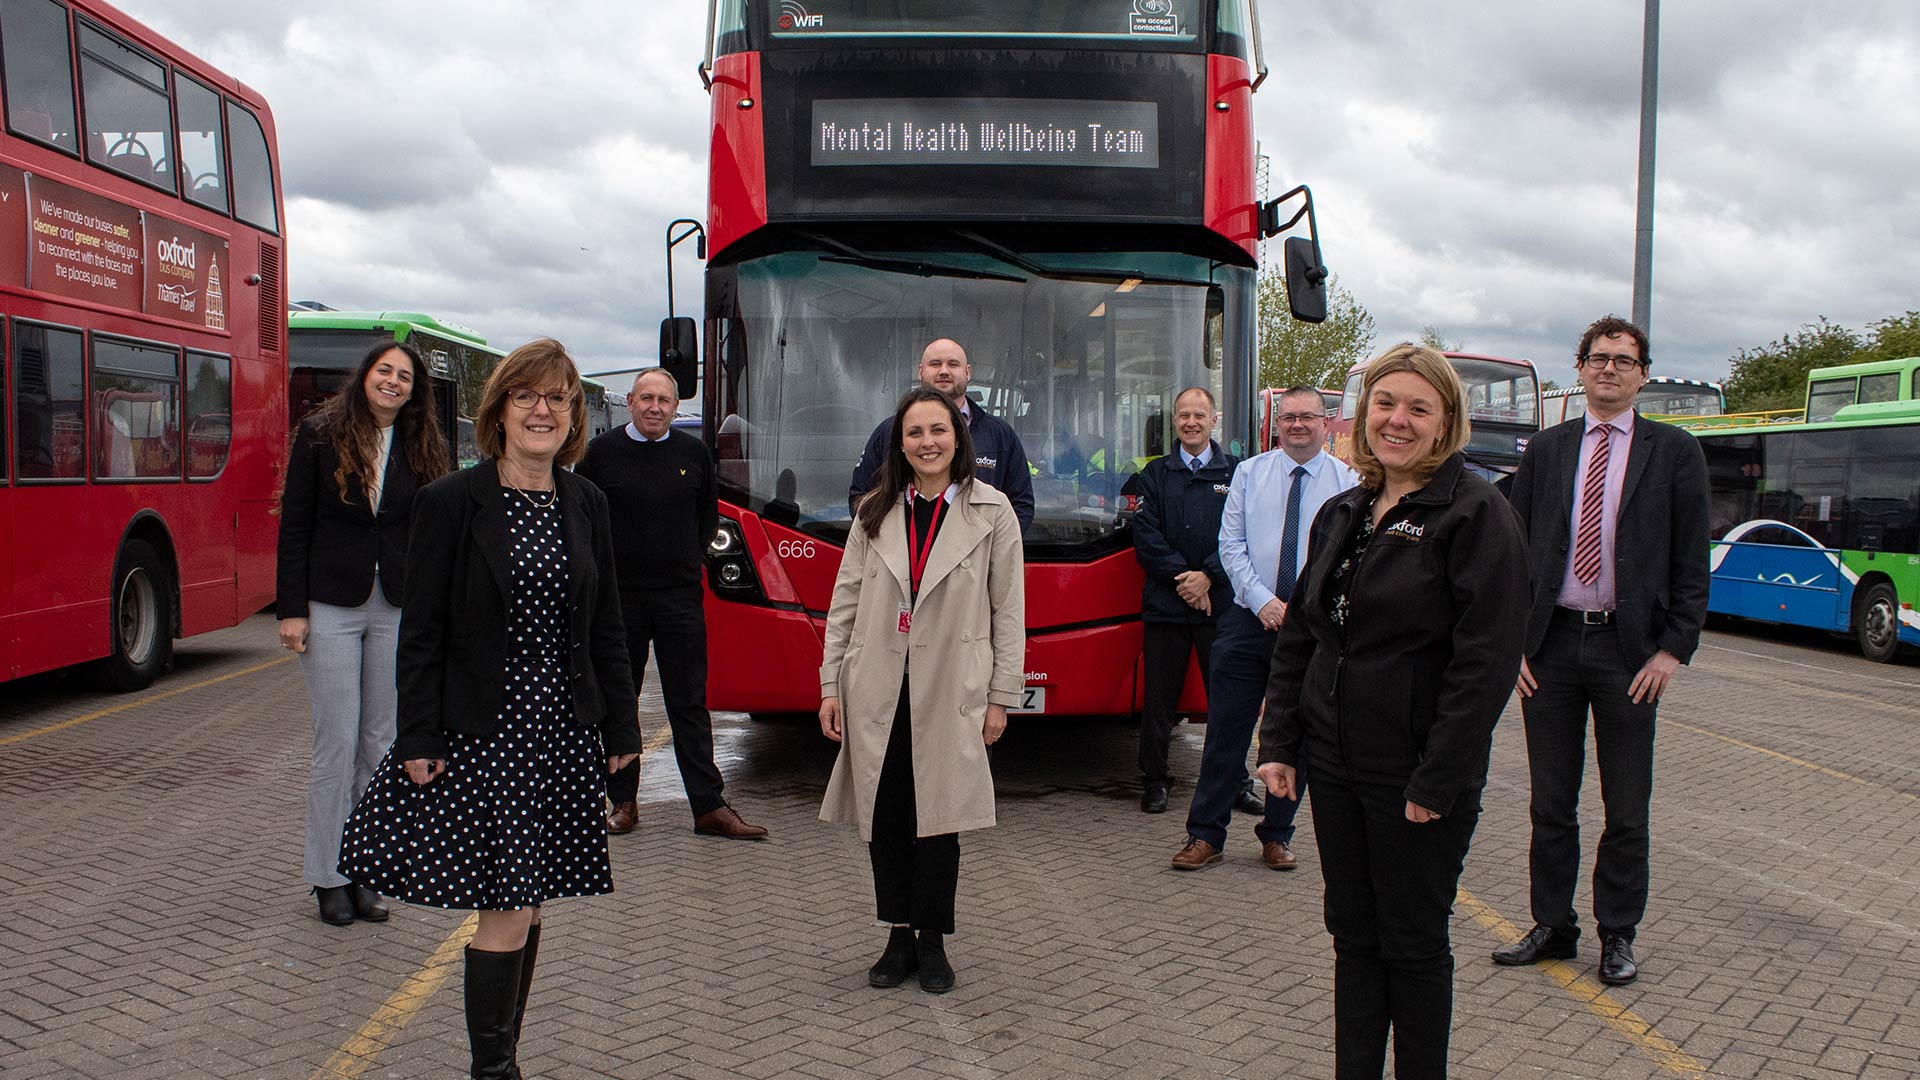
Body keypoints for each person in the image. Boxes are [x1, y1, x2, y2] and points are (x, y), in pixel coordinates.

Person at [336, 339, 642, 1079]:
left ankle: (504, 1057)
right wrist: (417, 732)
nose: (543, 410)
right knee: (508, 904)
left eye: (558, 398)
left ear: (574, 416)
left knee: (530, 903)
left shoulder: (586, 501)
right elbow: (424, 629)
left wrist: (622, 730)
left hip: (562, 732)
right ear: (499, 410)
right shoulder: (451, 501)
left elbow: (605, 624)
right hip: (486, 733)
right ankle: (494, 1071)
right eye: (526, 396)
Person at [1255, 345, 1529, 1079]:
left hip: (1415, 775)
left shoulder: (1477, 515)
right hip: (1336, 764)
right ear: (1363, 413)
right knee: (1352, 936)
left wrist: (1437, 781)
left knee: (1411, 944)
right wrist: (1279, 740)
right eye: (1385, 404)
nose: (1396, 421)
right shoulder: (1344, 510)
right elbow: (1306, 634)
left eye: (1417, 408)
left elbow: (1485, 667)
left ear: (1446, 423)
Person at [1494, 315, 1711, 987]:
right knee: (1551, 802)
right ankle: (1553, 925)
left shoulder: (1675, 452)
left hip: (1630, 653)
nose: (1610, 368)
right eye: (1598, 357)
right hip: (1551, 647)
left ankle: (1618, 934)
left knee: (1626, 807)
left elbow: (1691, 561)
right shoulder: (1548, 450)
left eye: (1624, 359)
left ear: (1643, 374)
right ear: (1581, 368)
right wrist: (1513, 645)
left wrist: (1673, 649)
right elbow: (1514, 550)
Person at [819, 387, 1025, 994]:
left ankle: (932, 942)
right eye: (914, 433)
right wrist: (832, 682)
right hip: (880, 684)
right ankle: (896, 936)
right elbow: (845, 603)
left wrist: (1000, 697)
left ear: (957, 439)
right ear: (899, 444)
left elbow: (1009, 610)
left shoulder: (993, 512)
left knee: (938, 818)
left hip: (952, 688)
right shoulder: (875, 512)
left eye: (938, 430)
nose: (927, 442)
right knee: (886, 816)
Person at [275, 340, 449, 927]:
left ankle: (366, 872)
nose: (394, 383)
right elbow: (295, 524)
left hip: (394, 607)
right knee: (337, 741)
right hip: (330, 605)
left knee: (380, 745)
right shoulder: (322, 434)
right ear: (365, 376)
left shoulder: (422, 443)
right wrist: (290, 609)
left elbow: (432, 532)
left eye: (404, 376)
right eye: (385, 371)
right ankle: (328, 876)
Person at [1170, 387, 1356, 871]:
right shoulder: (1250, 473)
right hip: (1248, 621)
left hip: (1311, 630)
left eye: (1307, 417)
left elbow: (1347, 559)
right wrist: (1263, 601)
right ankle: (1205, 835)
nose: (1297, 425)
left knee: (1295, 737)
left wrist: (1302, 609)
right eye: (1289, 417)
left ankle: (1277, 834)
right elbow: (1230, 545)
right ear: (1277, 425)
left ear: (1325, 421)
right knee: (1226, 732)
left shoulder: (1348, 483)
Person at [578, 367, 767, 840]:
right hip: (618, 599)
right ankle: (622, 800)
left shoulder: (693, 453)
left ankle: (707, 806)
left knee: (688, 702)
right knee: (621, 700)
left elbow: (707, 518)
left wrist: (687, 559)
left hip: (679, 598)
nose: (655, 408)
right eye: (646, 398)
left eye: (664, 400)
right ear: (631, 400)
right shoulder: (600, 455)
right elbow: (583, 522)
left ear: (676, 406)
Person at [1130, 386, 1239, 813]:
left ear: (1215, 420)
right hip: (1167, 607)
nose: (1190, 422)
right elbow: (1146, 538)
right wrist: (1187, 581)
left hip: (1220, 607)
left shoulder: (1237, 474)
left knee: (1228, 700)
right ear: (1174, 421)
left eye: (1199, 415)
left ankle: (1235, 779)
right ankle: (1155, 780)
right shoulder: (1155, 474)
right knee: (1159, 701)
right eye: (1182, 415)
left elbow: (1241, 535)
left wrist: (1208, 577)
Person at [849, 338, 1035, 534]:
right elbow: (861, 499)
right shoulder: (889, 432)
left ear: (967, 372)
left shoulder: (1001, 435)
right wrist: (894, 546)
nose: (944, 371)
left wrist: (989, 549)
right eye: (935, 364)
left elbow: (1021, 506)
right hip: (907, 560)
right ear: (921, 371)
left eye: (953, 364)